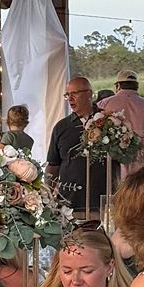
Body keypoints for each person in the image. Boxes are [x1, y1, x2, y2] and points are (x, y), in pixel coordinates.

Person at [44, 73, 97, 212]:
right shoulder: (62, 127)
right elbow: (53, 165)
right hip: (70, 204)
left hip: (103, 201)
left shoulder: (108, 122)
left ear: (89, 94)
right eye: (67, 95)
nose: (70, 99)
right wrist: (46, 197)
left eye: (75, 93)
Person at [99, 74, 144, 166]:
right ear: (137, 86)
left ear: (119, 86)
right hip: (143, 166)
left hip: (114, 167)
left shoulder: (104, 104)